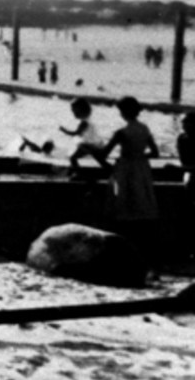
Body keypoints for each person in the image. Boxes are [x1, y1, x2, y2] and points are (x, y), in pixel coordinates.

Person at [101, 95, 159, 263]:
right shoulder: (144, 129)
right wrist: (139, 156)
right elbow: (155, 153)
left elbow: (104, 154)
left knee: (122, 204)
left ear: (123, 112)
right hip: (141, 169)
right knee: (141, 205)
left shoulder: (121, 132)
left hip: (125, 169)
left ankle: (122, 250)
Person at [59, 98, 105, 171]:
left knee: (73, 158)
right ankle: (109, 169)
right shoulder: (88, 120)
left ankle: (79, 173)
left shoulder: (84, 123)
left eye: (75, 112)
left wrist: (64, 131)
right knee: (99, 159)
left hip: (90, 146)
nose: (74, 114)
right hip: (96, 144)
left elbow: (75, 133)